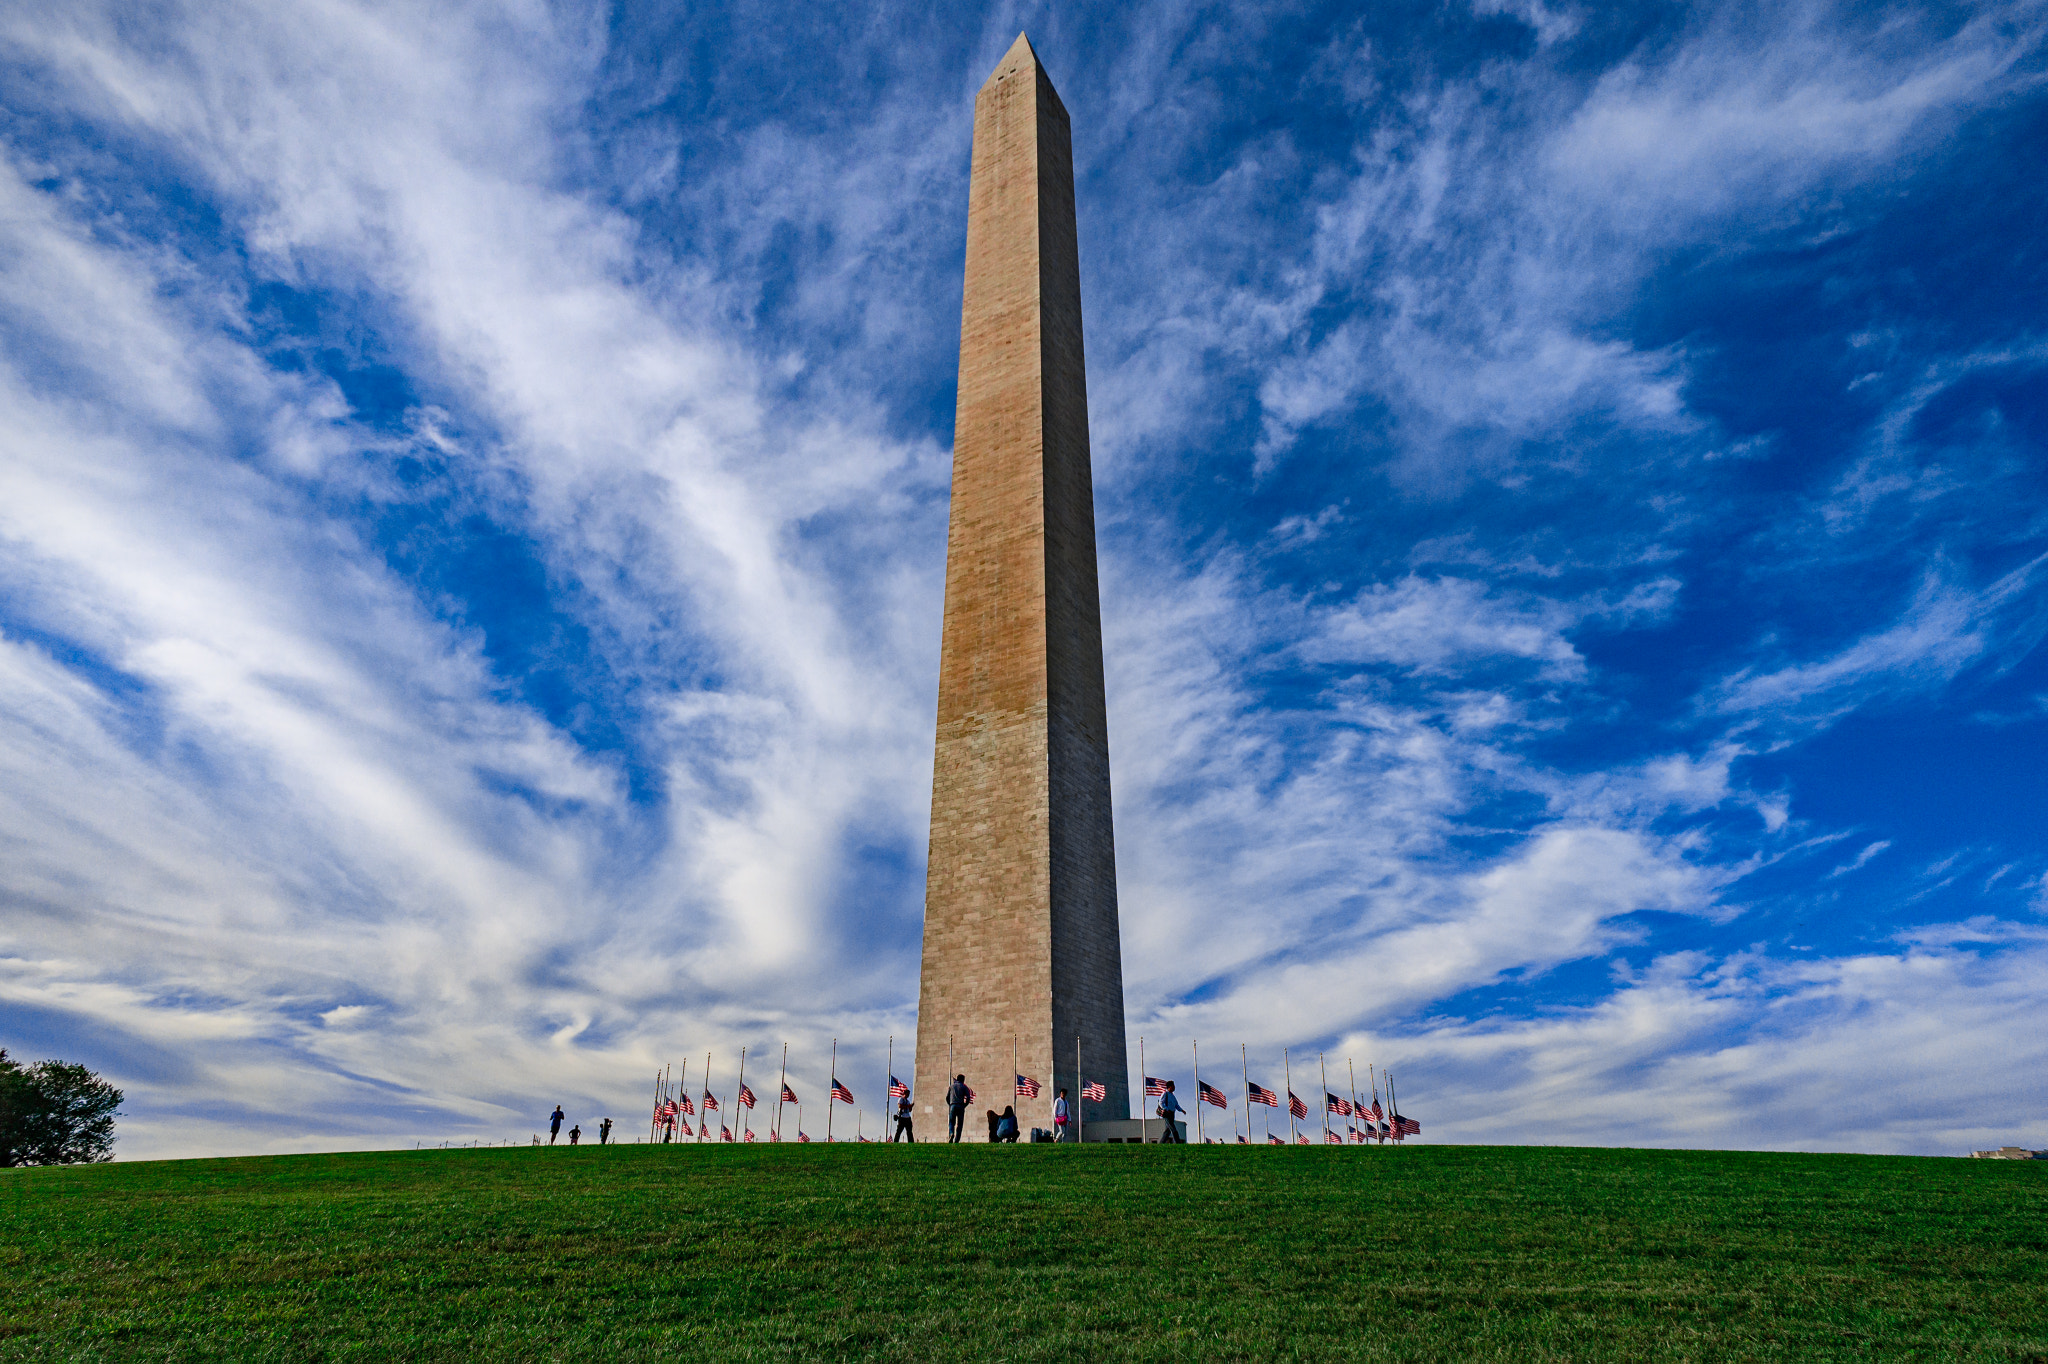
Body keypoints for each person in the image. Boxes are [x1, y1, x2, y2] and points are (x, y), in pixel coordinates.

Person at [946, 1074, 970, 1143]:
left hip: (953, 1105)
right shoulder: (964, 1087)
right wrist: (965, 1105)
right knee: (960, 1124)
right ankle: (957, 1140)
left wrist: (950, 1104)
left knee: (951, 1122)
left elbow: (947, 1097)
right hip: (960, 1106)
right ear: (962, 1080)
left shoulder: (952, 1086)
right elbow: (968, 1097)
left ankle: (951, 1133)